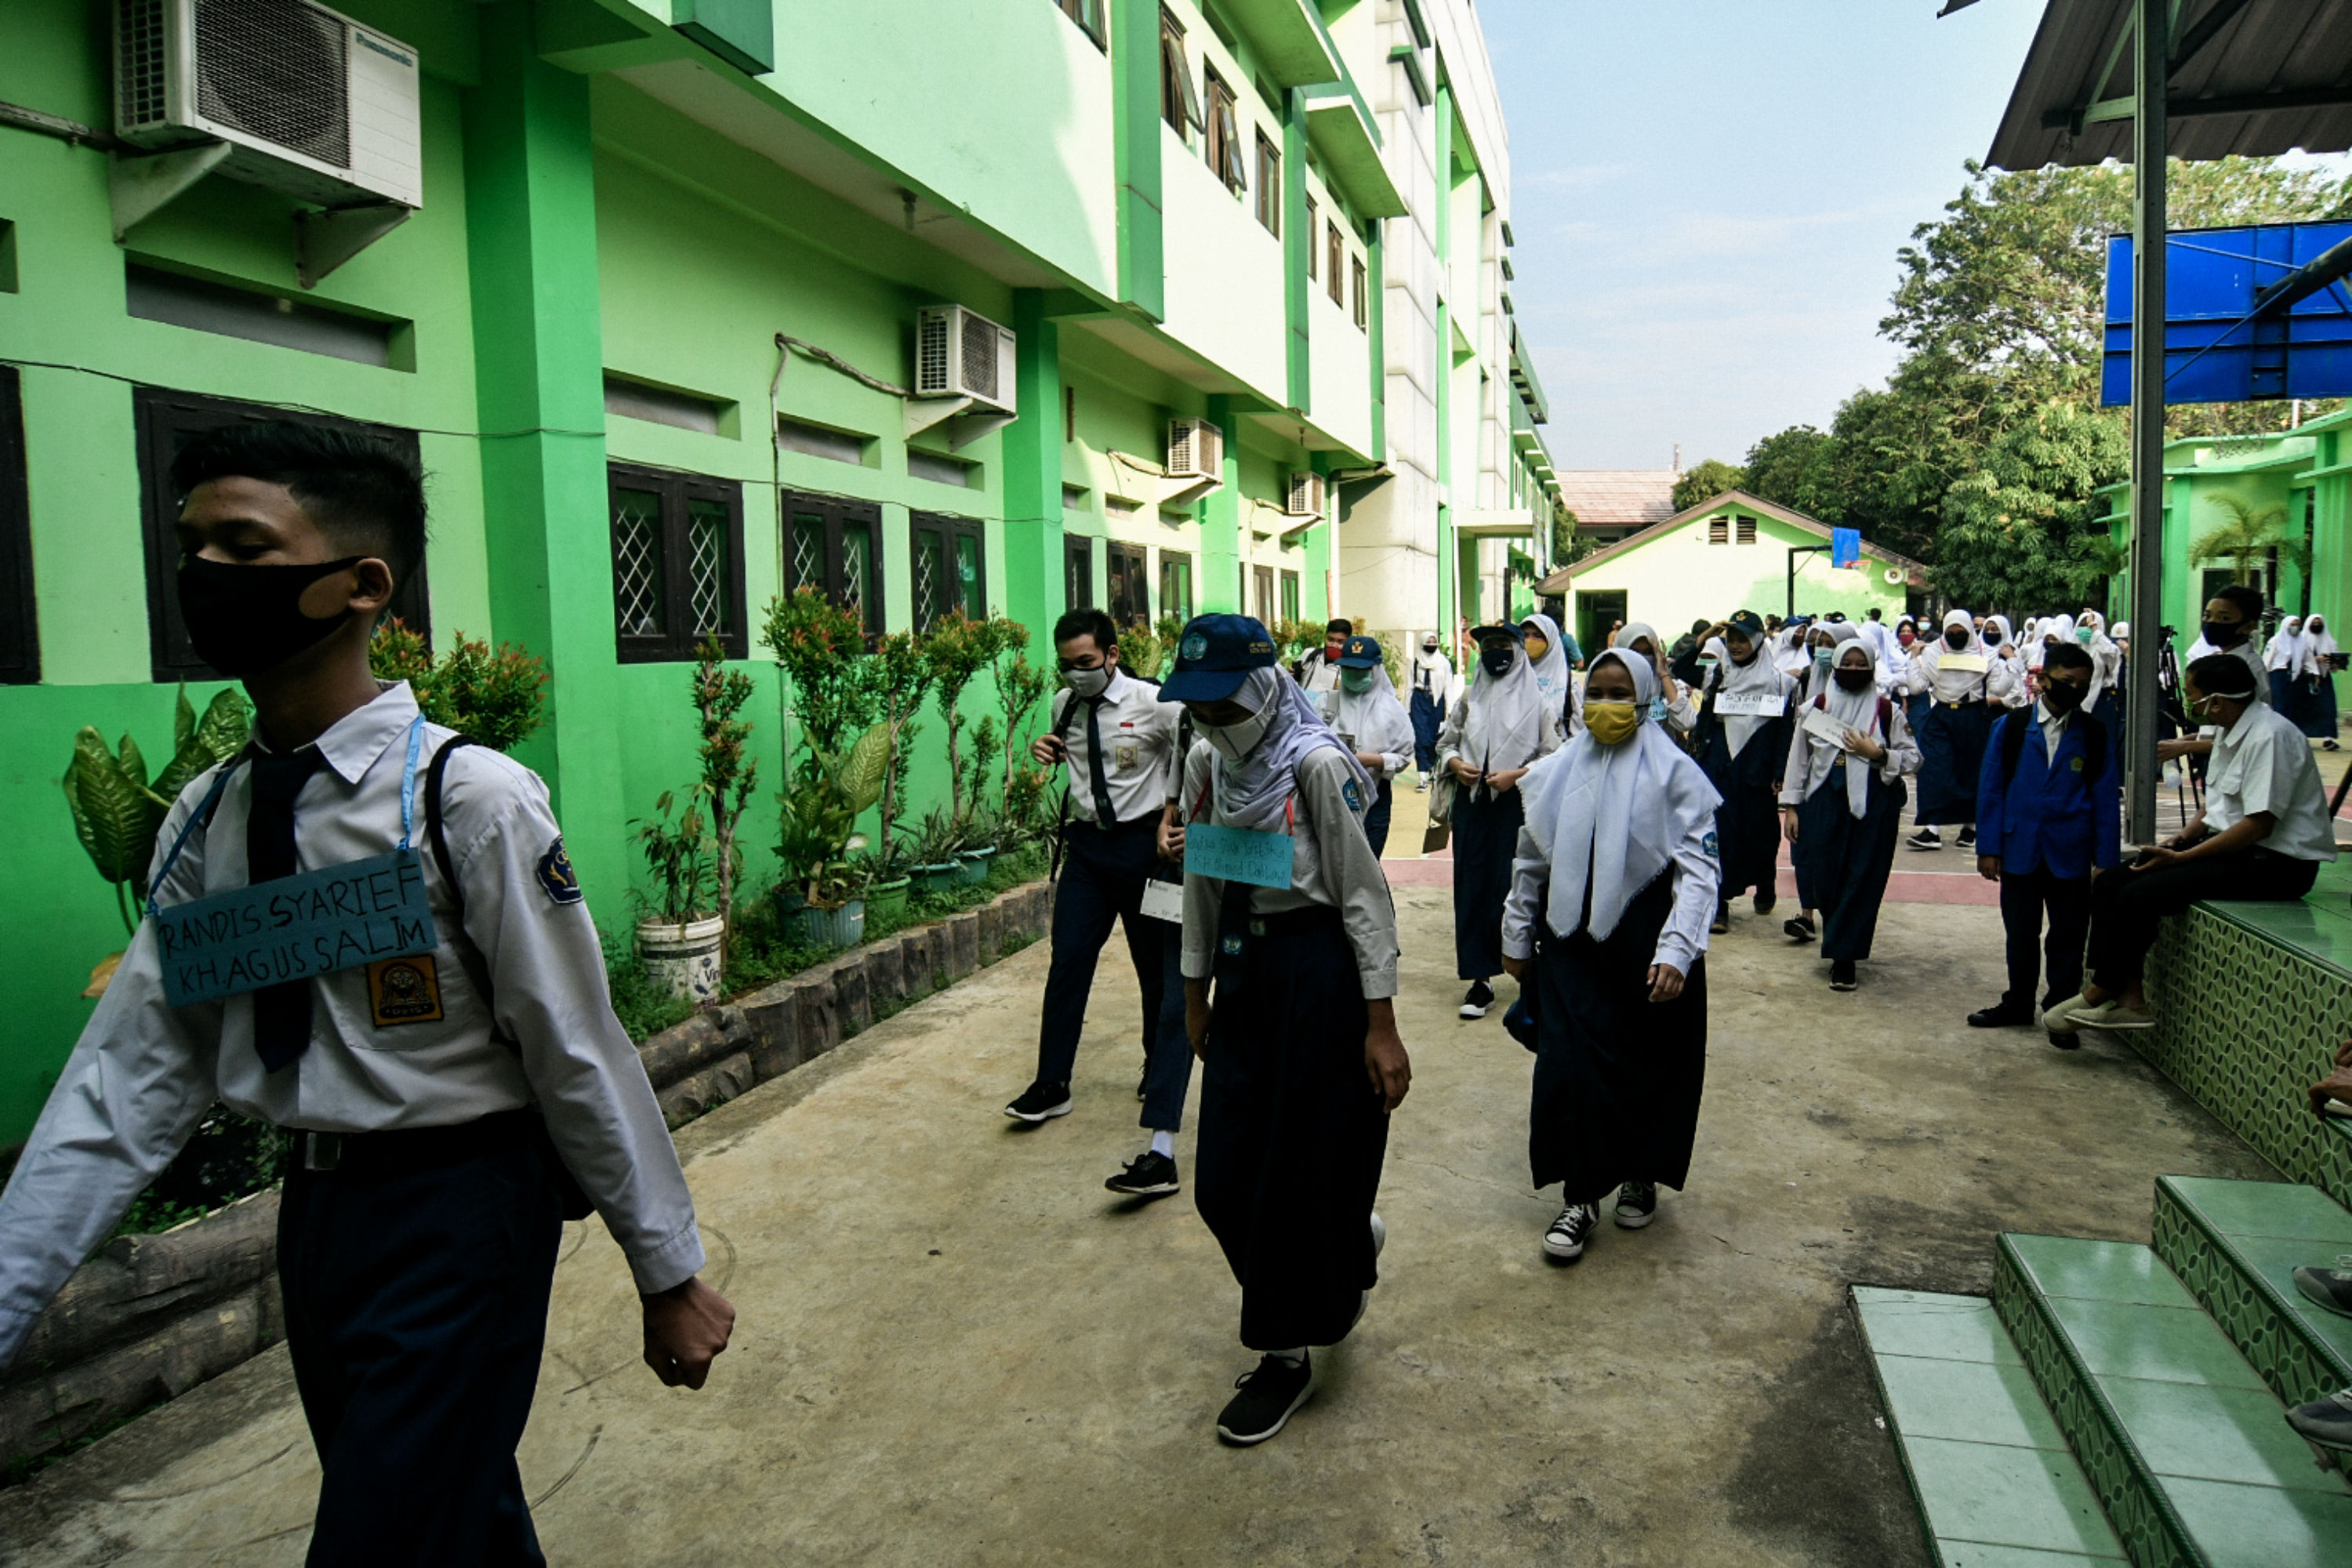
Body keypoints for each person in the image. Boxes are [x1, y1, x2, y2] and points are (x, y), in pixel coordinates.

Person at [0, 422, 735, 1563]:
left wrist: (667, 1268)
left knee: (382, 1537)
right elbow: (134, 1072)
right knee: (452, 1519)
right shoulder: (208, 819)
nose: (204, 574)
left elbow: (574, 1046)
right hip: (316, 1216)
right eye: (193, 547)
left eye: (247, 547)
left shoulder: (467, 800)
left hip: (463, 1212)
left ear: (362, 584)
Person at [1160, 615, 1409, 1446]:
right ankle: (1348, 1247)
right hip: (1246, 971)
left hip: (1318, 973)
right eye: (1199, 708)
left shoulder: (1315, 764)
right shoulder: (1206, 761)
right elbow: (1202, 880)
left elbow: (1365, 899)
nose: (1212, 722)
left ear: (1265, 690)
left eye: (1225, 706)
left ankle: (1286, 1353)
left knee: (1297, 1173)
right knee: (1223, 1182)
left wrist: (1381, 1025)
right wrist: (1196, 994)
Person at [1501, 649, 1719, 1261]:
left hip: (1647, 940)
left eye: (1620, 694)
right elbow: (1531, 859)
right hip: (1570, 941)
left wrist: (1678, 950)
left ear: (1645, 699)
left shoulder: (1676, 775)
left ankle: (1640, 1174)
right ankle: (1579, 1195)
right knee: (1569, 1069)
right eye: (1596, 691)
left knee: (1647, 1064)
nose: (1606, 704)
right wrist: (1516, 934)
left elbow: (1700, 873)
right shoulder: (1556, 771)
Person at [2052, 652, 2338, 1034]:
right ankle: (2128, 999)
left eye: (2192, 696)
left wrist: (2180, 859)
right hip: (2238, 852)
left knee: (2140, 894)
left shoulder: (2271, 737)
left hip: (2276, 865)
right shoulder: (2229, 730)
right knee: (2110, 881)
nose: (2189, 704)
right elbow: (2220, 801)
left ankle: (2099, 991)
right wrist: (2185, 837)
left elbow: (2258, 825)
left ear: (2215, 701)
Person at [1005, 608, 1182, 1127]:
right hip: (1086, 852)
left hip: (1144, 851)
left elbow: (1193, 756)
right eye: (1066, 664)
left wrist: (1172, 817)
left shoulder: (1154, 703)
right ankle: (1051, 1082)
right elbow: (1074, 751)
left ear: (1111, 655)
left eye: (1085, 662)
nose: (1075, 673)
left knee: (1154, 967)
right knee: (1068, 961)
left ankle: (1158, 1065)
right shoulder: (1064, 704)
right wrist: (1046, 746)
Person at [1966, 643, 2119, 1037]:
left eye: (2083, 684)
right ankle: (2018, 1002)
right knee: (2021, 933)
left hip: (2072, 852)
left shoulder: (2095, 733)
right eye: (2067, 681)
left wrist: (2106, 861)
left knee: (2068, 937)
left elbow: (2105, 800)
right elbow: (1991, 789)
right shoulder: (2012, 727)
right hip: (2020, 850)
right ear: (2044, 679)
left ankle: (2059, 1013)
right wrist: (1989, 848)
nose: (2075, 689)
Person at [1780, 633, 1919, 990]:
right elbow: (1799, 760)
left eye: (1861, 665)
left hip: (1874, 803)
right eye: (1847, 664)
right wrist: (1792, 807)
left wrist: (1879, 755)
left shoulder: (1887, 711)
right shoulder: (1816, 708)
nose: (1853, 670)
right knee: (1825, 877)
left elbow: (1914, 758)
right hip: (1824, 800)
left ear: (1872, 669)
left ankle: (1845, 958)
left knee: (1863, 877)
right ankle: (1838, 936)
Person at [1438, 623, 1563, 1019]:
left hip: (1518, 805)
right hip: (1473, 804)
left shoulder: (1538, 703)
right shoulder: (1469, 697)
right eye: (1487, 645)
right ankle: (1481, 979)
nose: (1494, 651)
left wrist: (1516, 776)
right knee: (1472, 888)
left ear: (1518, 651)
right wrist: (1456, 765)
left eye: (1502, 644)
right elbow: (1446, 743)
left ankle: (1529, 973)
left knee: (1520, 886)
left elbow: (1554, 756)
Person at [1687, 611, 1792, 931]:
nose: (1735, 646)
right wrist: (1704, 639)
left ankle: (1765, 880)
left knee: (1761, 833)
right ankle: (1720, 904)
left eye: (1743, 639)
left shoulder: (1780, 682)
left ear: (1758, 641)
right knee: (1719, 833)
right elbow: (1683, 670)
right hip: (1720, 763)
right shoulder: (1717, 675)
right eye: (1731, 639)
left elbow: (1784, 731)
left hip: (1757, 767)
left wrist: (1780, 770)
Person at [1780, 620, 1849, 945]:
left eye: (1830, 644)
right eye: (1819, 643)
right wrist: (1791, 801)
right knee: (1803, 850)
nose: (1823, 650)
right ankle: (1806, 914)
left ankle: (1837, 919)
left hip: (1844, 785)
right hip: (1809, 784)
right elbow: (1798, 748)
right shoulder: (1805, 681)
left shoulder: (1865, 692)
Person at [1904, 610, 1994, 854]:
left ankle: (1970, 828)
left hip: (1973, 715)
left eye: (1960, 631)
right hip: (1942, 714)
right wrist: (1914, 658)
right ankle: (1931, 829)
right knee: (1933, 769)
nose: (1955, 635)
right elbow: (1916, 687)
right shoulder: (1934, 652)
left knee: (1971, 771)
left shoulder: (1985, 652)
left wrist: (2011, 664)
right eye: (1950, 631)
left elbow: (2000, 687)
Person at [1332, 634, 1416, 855]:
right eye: (1349, 669)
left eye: (1361, 670)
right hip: (1331, 797)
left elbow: (1405, 755)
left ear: (1376, 670)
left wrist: (1373, 760)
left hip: (1375, 795)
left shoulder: (1391, 710)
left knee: (1368, 862)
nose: (1355, 675)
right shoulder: (1326, 704)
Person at [1408, 631, 1458, 789]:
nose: (1431, 645)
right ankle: (1422, 776)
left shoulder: (1443, 662)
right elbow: (1409, 685)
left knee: (1435, 738)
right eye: (1428, 642)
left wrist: (1450, 709)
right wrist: (1406, 709)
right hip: (1419, 701)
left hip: (1437, 703)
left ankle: (1432, 769)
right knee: (1420, 738)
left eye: (1433, 642)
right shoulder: (1416, 661)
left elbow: (1448, 686)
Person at [1522, 611, 1580, 737]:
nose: (1530, 640)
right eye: (1525, 635)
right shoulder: (1512, 678)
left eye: (1537, 636)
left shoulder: (1568, 683)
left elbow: (1579, 731)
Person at [2300, 613, 2342, 750]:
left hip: (2324, 679)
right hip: (2306, 679)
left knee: (2327, 708)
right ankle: (2303, 737)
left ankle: (2328, 739)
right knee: (2306, 708)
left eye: (2319, 623)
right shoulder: (2302, 640)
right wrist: (2315, 660)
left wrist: (2335, 664)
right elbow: (2298, 660)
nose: (2317, 625)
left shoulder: (2330, 641)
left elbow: (2334, 663)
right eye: (2314, 623)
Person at [1294, 617, 1353, 694]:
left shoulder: (1349, 668)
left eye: (1340, 642)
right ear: (1325, 637)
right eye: (1330, 640)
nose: (1334, 645)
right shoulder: (1309, 654)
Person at [2266, 613, 2307, 715]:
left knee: (2292, 704)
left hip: (2295, 676)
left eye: (2297, 625)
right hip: (2278, 674)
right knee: (2279, 704)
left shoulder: (2301, 641)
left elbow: (2306, 659)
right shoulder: (2275, 641)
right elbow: (2267, 659)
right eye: (2292, 624)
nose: (2295, 627)